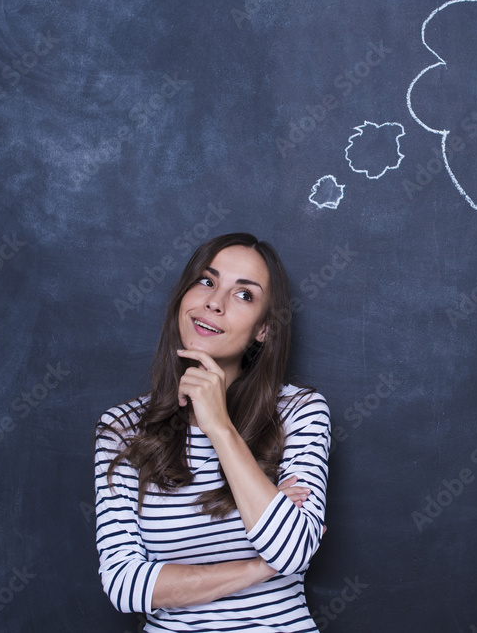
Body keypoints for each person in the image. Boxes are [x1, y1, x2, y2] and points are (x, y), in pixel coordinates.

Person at [94, 233, 330, 632]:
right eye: (206, 281)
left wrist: (219, 427)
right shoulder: (121, 429)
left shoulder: (300, 413)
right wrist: (256, 568)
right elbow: (123, 585)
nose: (214, 302)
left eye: (244, 296)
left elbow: (290, 552)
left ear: (264, 330)